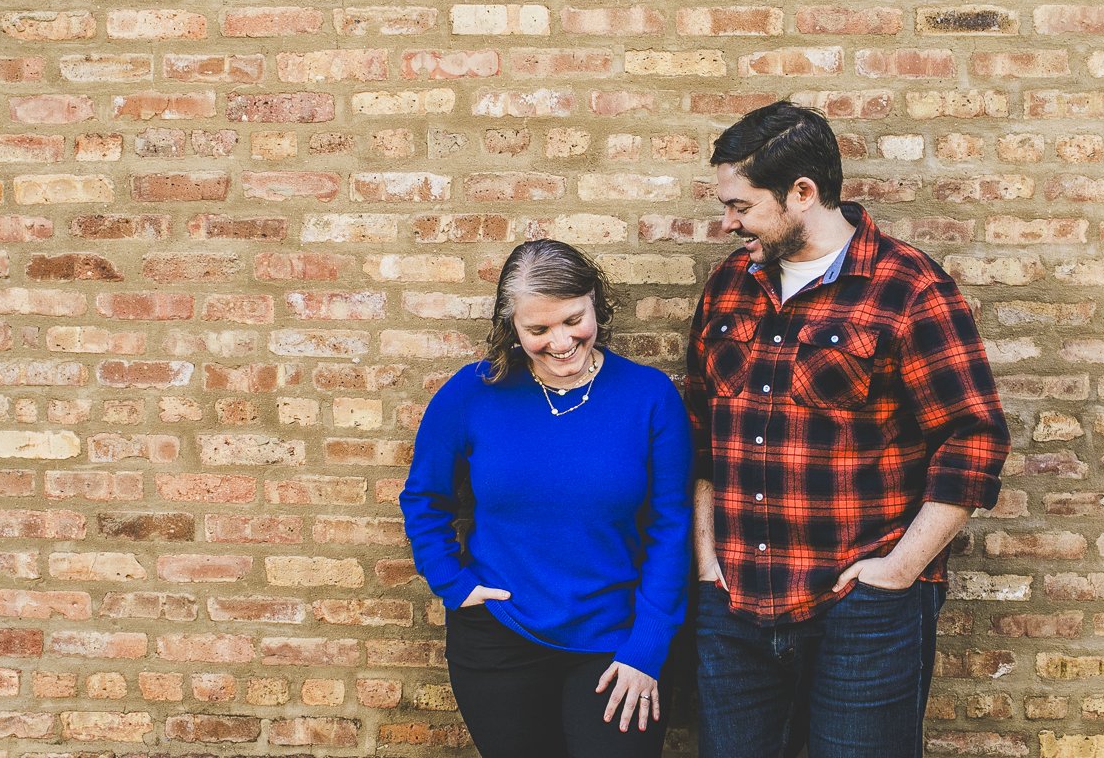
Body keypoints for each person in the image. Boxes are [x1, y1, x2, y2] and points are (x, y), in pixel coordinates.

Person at [685, 102, 1011, 758]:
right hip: (736, 601)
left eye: (741, 206)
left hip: (861, 611)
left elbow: (973, 437)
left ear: (802, 193)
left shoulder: (907, 287)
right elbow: (701, 435)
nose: (727, 223)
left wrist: (900, 569)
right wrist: (707, 559)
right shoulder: (728, 286)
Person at [401, 239, 693, 758]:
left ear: (595, 306)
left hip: (616, 644)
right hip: (499, 640)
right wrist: (452, 582)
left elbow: (670, 527)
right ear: (510, 327)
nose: (561, 342)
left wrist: (648, 646)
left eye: (573, 320)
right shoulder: (473, 393)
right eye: (538, 330)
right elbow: (424, 498)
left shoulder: (648, 396)